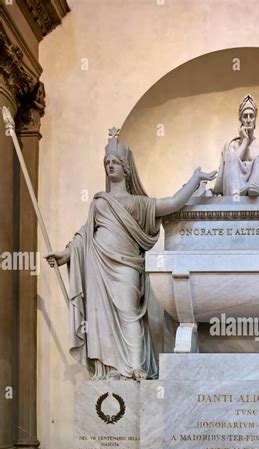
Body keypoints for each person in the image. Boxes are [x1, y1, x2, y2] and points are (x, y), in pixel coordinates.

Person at [46, 128, 216, 380]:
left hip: (126, 266)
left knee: (128, 313)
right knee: (100, 317)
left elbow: (171, 204)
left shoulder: (139, 203)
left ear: (126, 169)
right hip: (98, 266)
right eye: (107, 163)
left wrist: (195, 180)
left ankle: (135, 367)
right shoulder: (99, 202)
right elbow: (84, 236)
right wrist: (66, 254)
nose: (110, 166)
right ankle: (110, 370)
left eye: (115, 162)